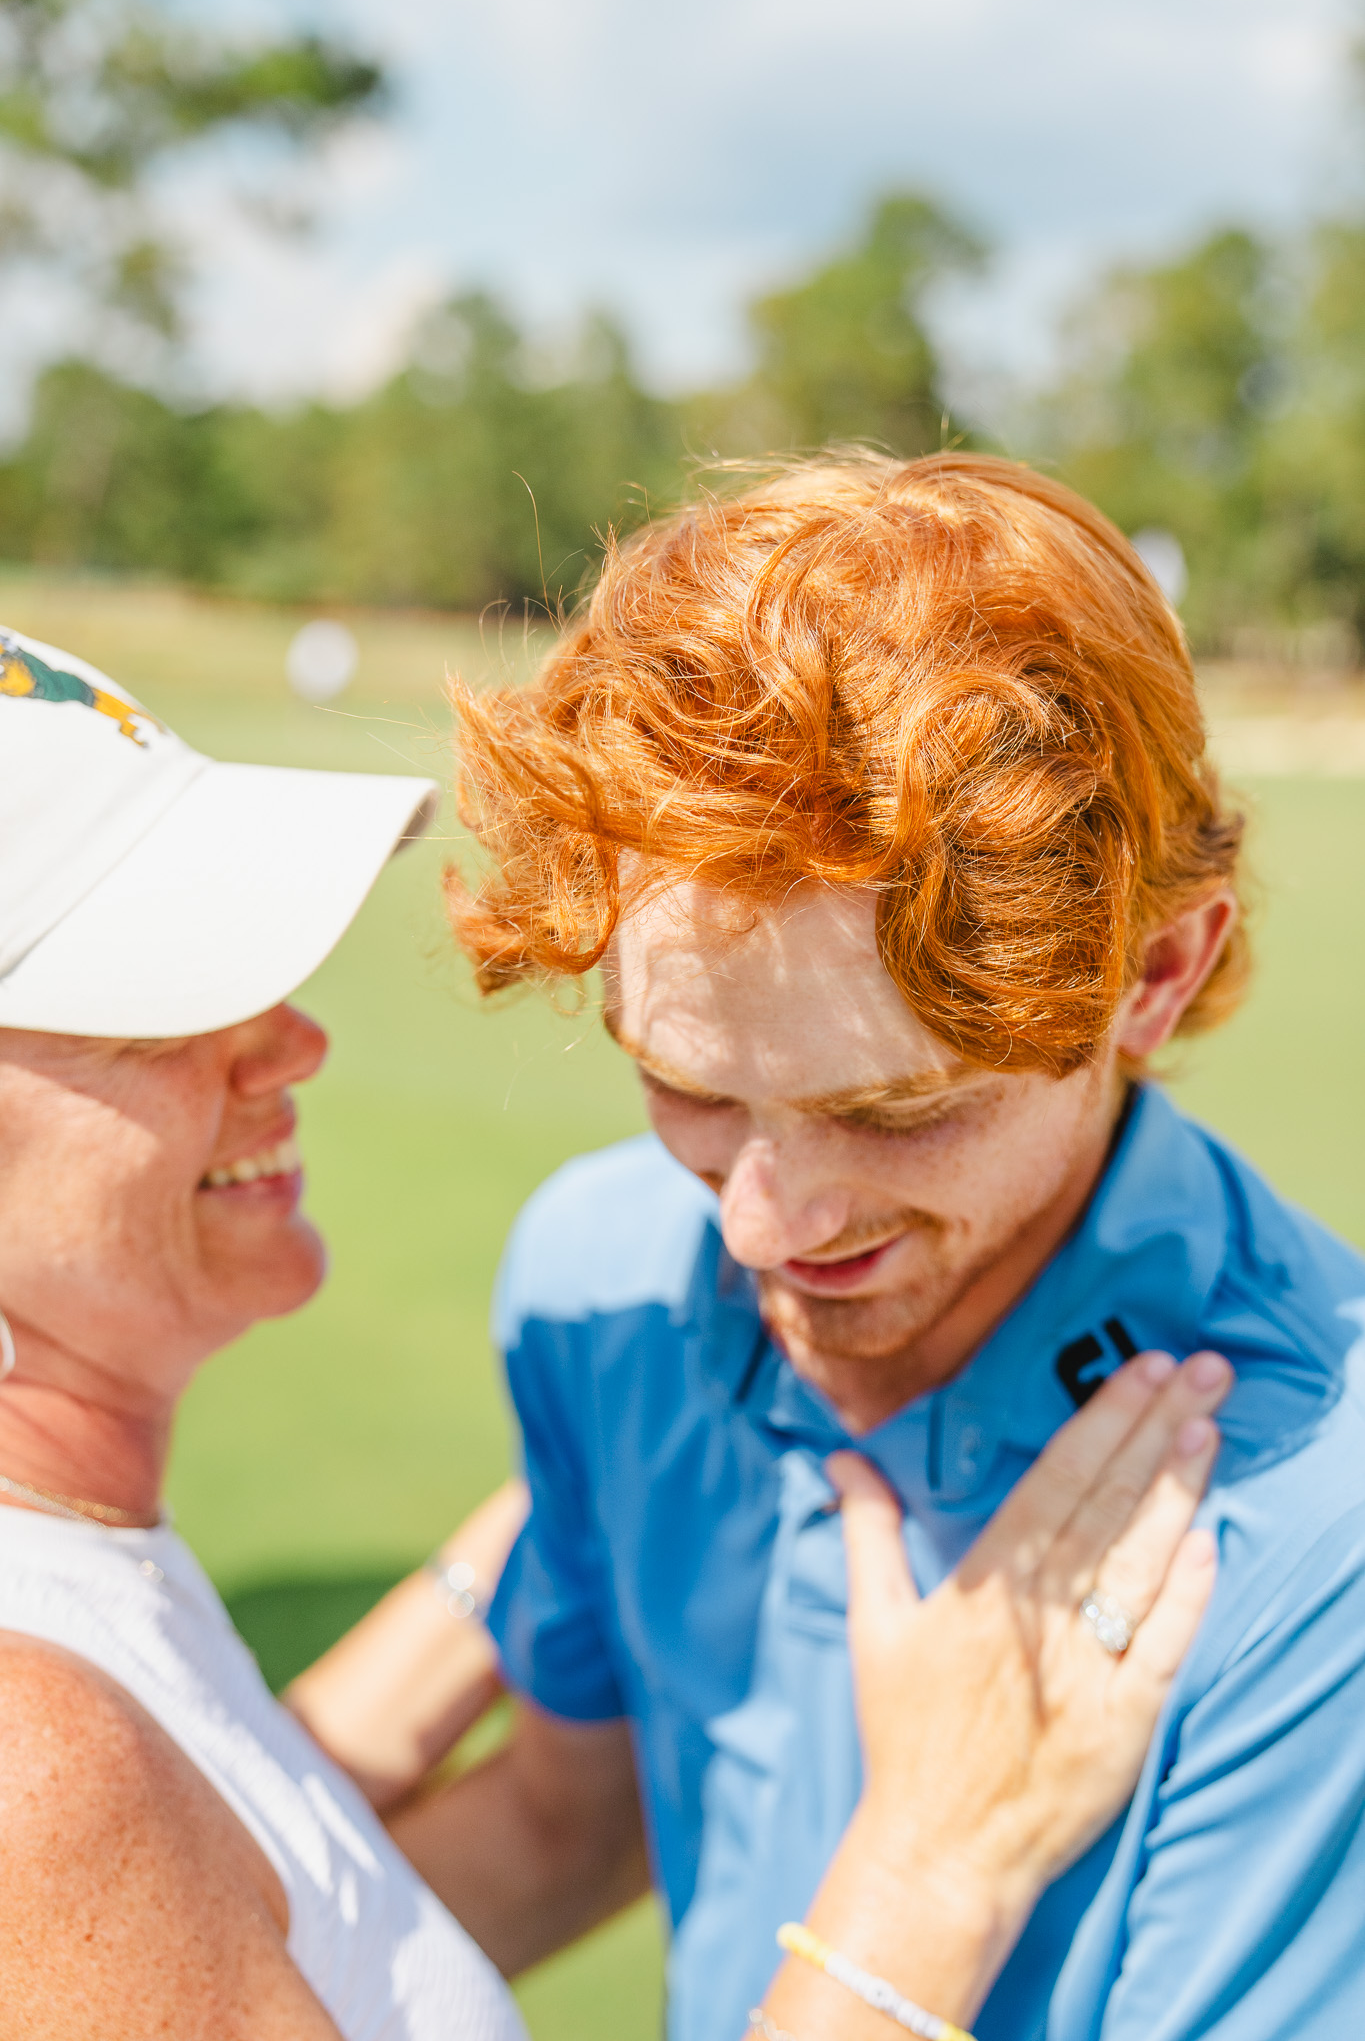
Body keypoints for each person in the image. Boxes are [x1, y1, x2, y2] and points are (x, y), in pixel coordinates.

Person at [0, 620, 1225, 2040]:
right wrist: (932, 1874)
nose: (292, 1043)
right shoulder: (39, 1765)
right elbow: (79, 1835)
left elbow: (254, 1882)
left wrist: (561, 1522)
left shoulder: (79, 1622)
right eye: (159, 1006)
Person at [397, 452, 1365, 2041]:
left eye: (901, 1110)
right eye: (686, 1083)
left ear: (1158, 971)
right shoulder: (603, 1281)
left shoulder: (1315, 1537)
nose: (761, 1227)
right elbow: (565, 1828)